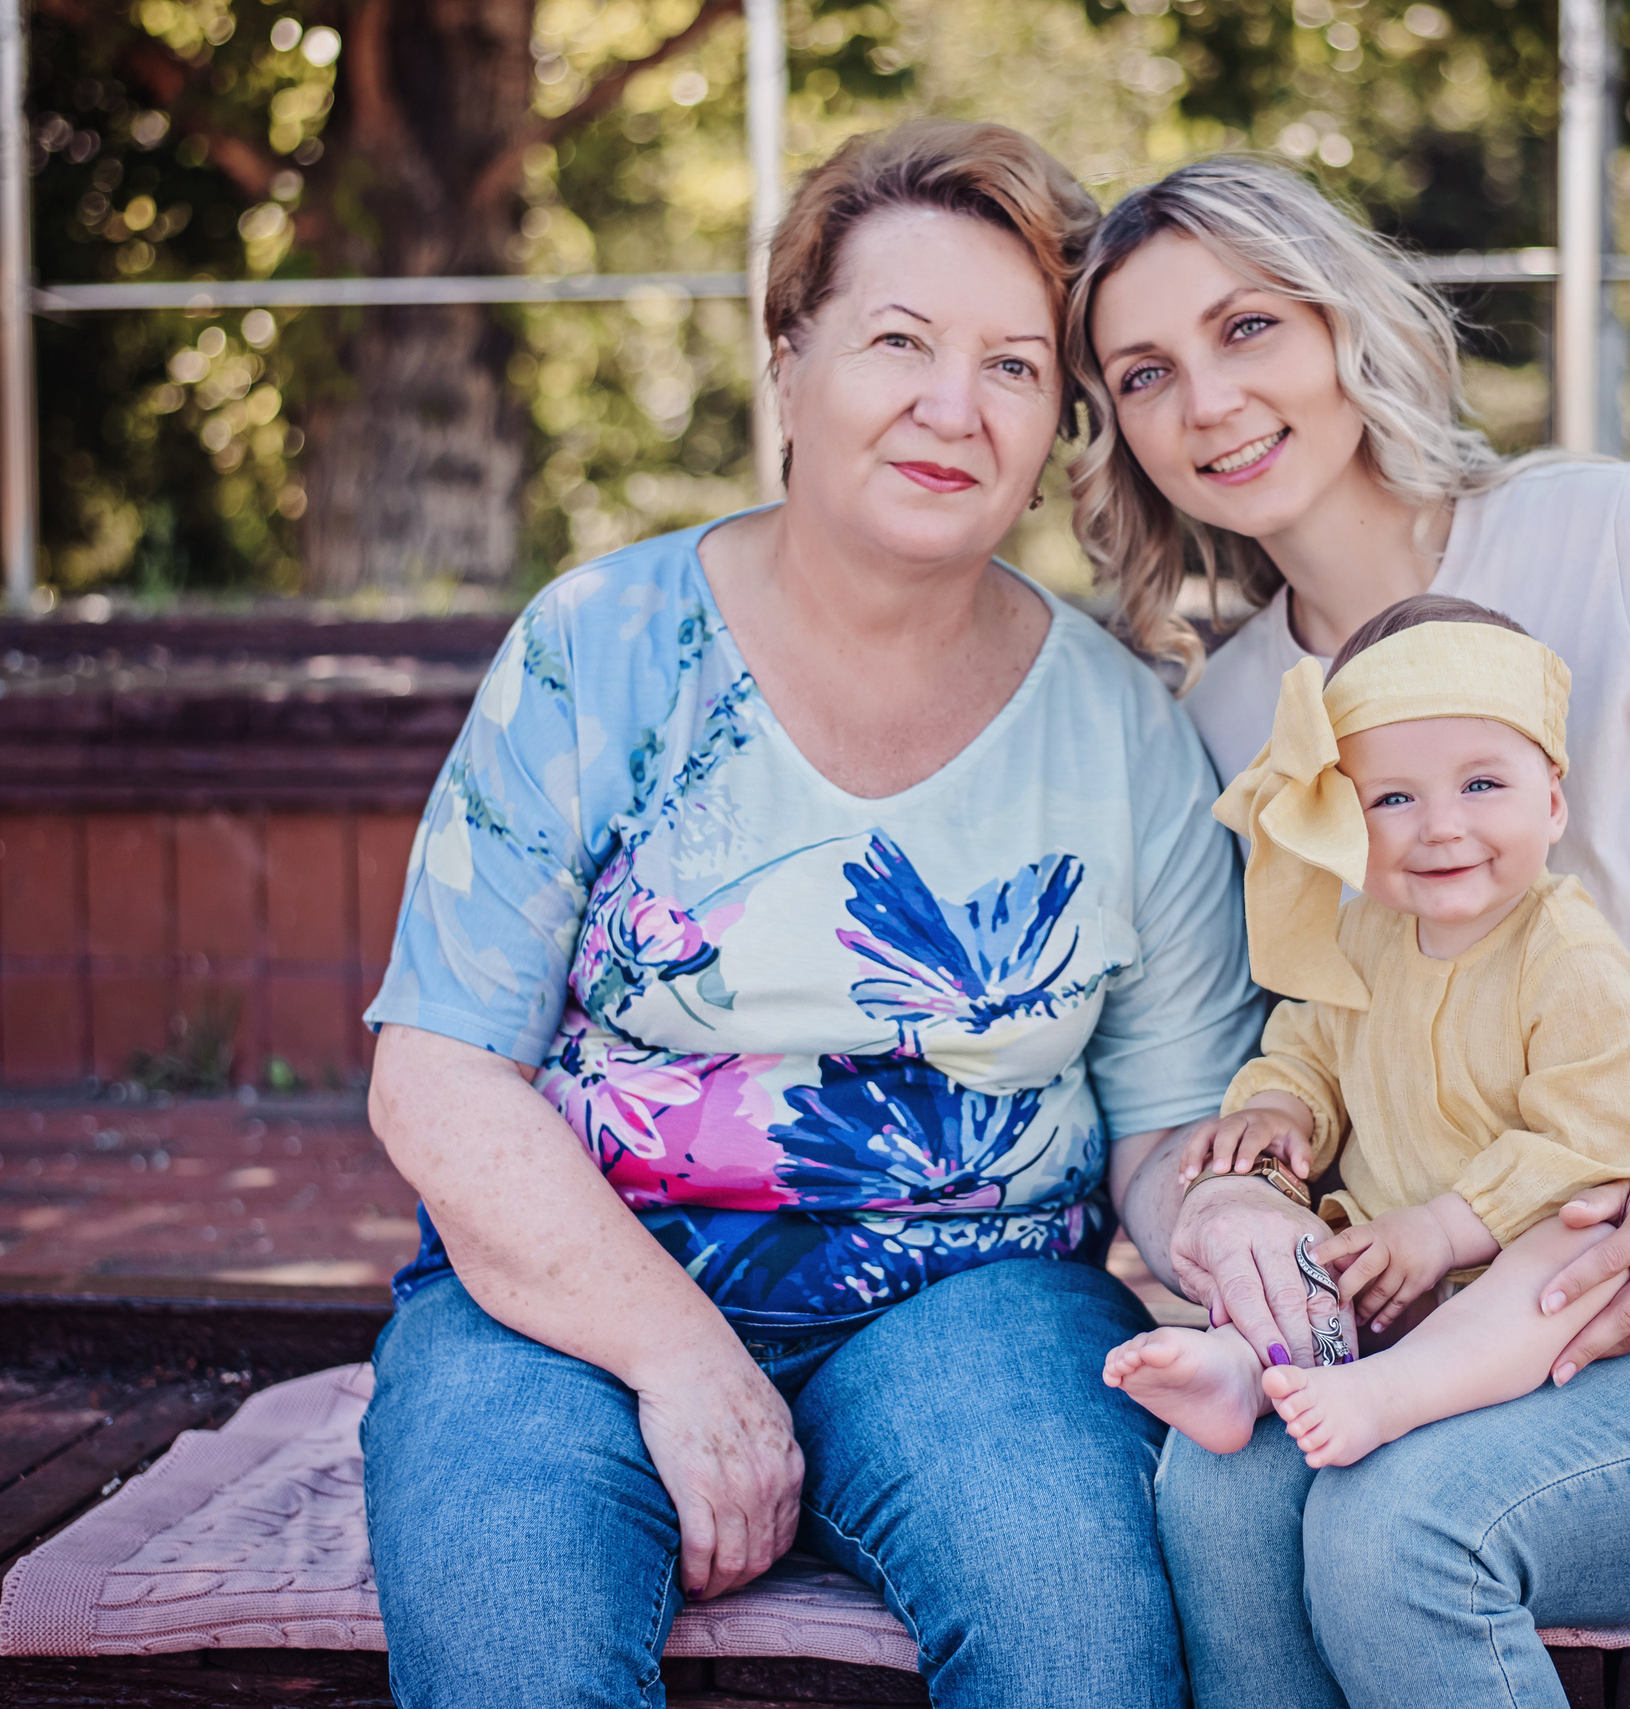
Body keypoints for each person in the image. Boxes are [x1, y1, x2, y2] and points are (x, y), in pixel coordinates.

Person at [357, 121, 1263, 1709]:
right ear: (790, 357)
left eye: (1009, 366)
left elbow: (1167, 1121)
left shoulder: (1125, 728)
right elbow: (435, 1070)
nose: (948, 407)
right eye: (896, 342)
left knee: (1082, 1647)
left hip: (976, 1296)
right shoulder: (602, 647)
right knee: (515, 1661)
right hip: (571, 1279)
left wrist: (1239, 1226)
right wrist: (684, 1360)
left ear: (1058, 419)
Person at [1071, 155, 1630, 1709]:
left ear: (1344, 326)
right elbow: (1321, 1047)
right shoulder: (1231, 716)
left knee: (1404, 1529)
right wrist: (1268, 1183)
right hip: (1475, 1303)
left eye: (1248, 329)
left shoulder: (1625, 540)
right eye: (1145, 373)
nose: (1206, 402)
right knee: (1220, 1501)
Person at [1104, 596, 1630, 1469]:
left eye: (1482, 783)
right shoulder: (1366, 932)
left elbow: (1600, 1143)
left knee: (1581, 1247)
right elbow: (1311, 1045)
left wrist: (1447, 1231)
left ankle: (1389, 1390)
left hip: (1509, 1267)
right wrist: (1281, 1109)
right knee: (1320, 1248)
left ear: (1552, 801)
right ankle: (1249, 1370)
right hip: (1395, 1253)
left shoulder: (1567, 956)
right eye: (1394, 797)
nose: (1441, 824)